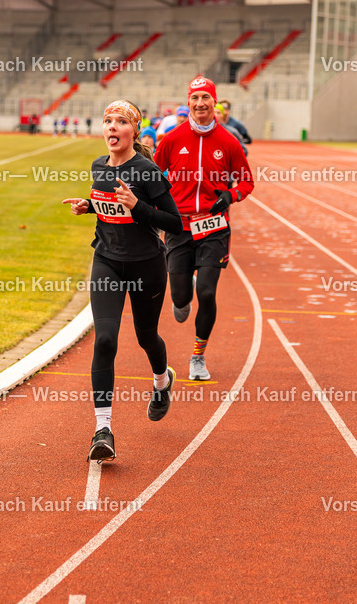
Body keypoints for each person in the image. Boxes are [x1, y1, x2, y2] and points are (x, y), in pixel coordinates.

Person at [62, 100, 183, 462]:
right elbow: (107, 205)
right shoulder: (99, 166)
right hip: (107, 262)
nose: (112, 127)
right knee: (105, 340)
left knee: (146, 336)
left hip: (146, 265)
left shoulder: (146, 171)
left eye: (120, 122)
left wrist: (138, 206)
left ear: (133, 130)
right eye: (107, 121)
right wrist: (90, 205)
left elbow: (174, 223)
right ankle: (103, 429)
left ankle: (162, 382)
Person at [154, 76, 254, 382]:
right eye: (195, 99)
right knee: (182, 297)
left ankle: (198, 356)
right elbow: (153, 177)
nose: (200, 104)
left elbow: (246, 182)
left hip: (214, 228)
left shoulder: (229, 142)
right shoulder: (171, 140)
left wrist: (231, 195)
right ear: (189, 103)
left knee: (207, 292)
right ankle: (180, 298)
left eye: (206, 99)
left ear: (215, 103)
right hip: (179, 228)